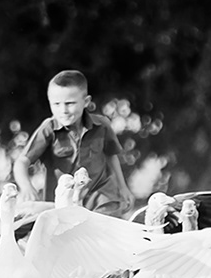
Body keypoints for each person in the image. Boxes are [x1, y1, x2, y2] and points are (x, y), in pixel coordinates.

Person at [14, 70, 133, 215]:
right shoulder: (48, 129)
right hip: (63, 204)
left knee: (104, 231)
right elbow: (22, 162)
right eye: (56, 104)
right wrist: (26, 186)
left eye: (70, 103)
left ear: (86, 102)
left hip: (101, 197)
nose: (63, 110)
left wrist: (123, 187)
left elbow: (111, 155)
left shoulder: (102, 125)